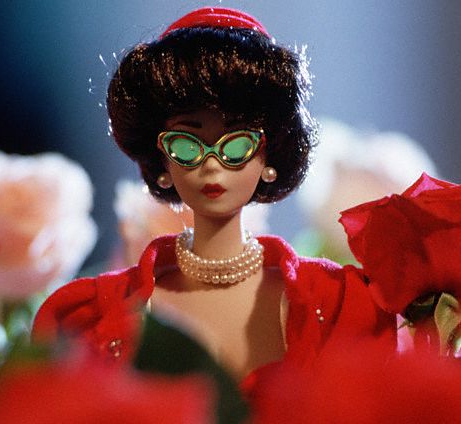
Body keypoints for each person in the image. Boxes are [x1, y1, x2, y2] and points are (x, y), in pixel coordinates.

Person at [32, 7, 396, 383]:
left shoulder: (339, 305)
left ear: (270, 156)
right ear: (162, 160)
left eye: (236, 144)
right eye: (187, 145)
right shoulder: (88, 318)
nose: (211, 165)